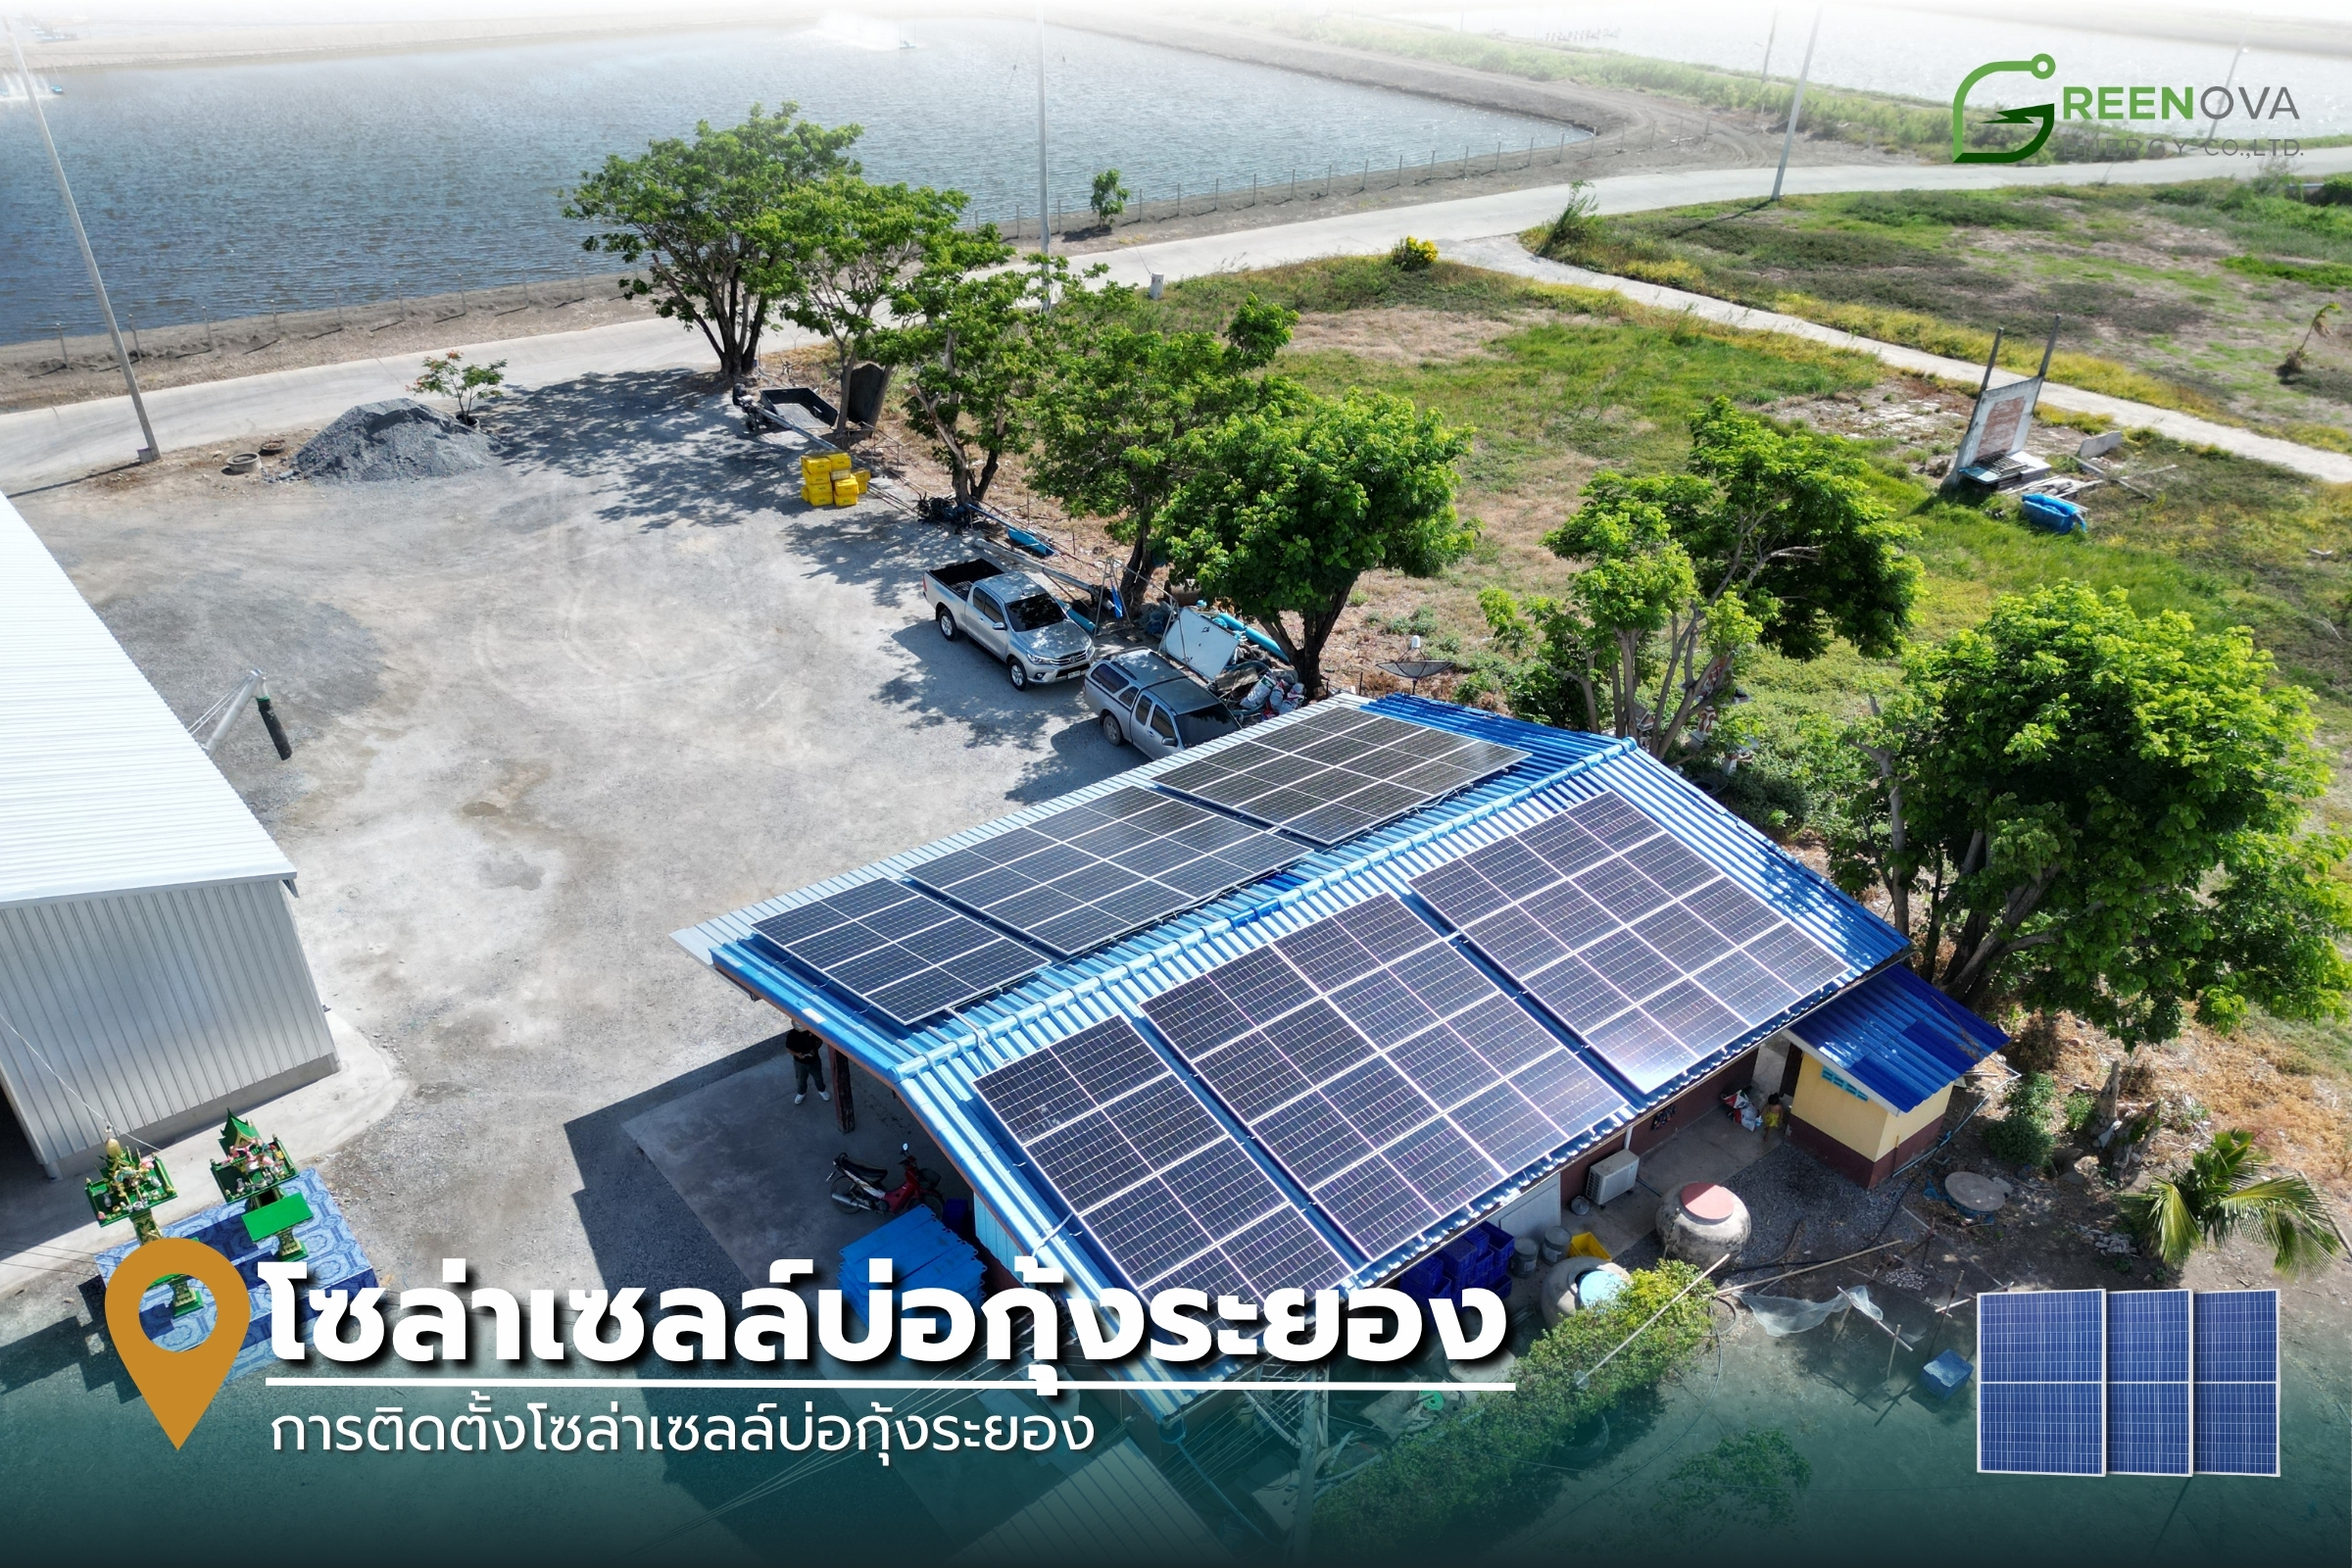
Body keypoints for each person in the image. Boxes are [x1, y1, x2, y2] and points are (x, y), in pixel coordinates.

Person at [785, 1027, 830, 1105]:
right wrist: (797, 1054)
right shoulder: (792, 1034)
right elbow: (788, 1048)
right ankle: (801, 1093)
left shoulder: (812, 1030)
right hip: (800, 1063)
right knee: (800, 1079)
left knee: (818, 1077)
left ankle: (822, 1090)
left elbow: (820, 1041)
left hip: (814, 1061)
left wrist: (815, 1049)